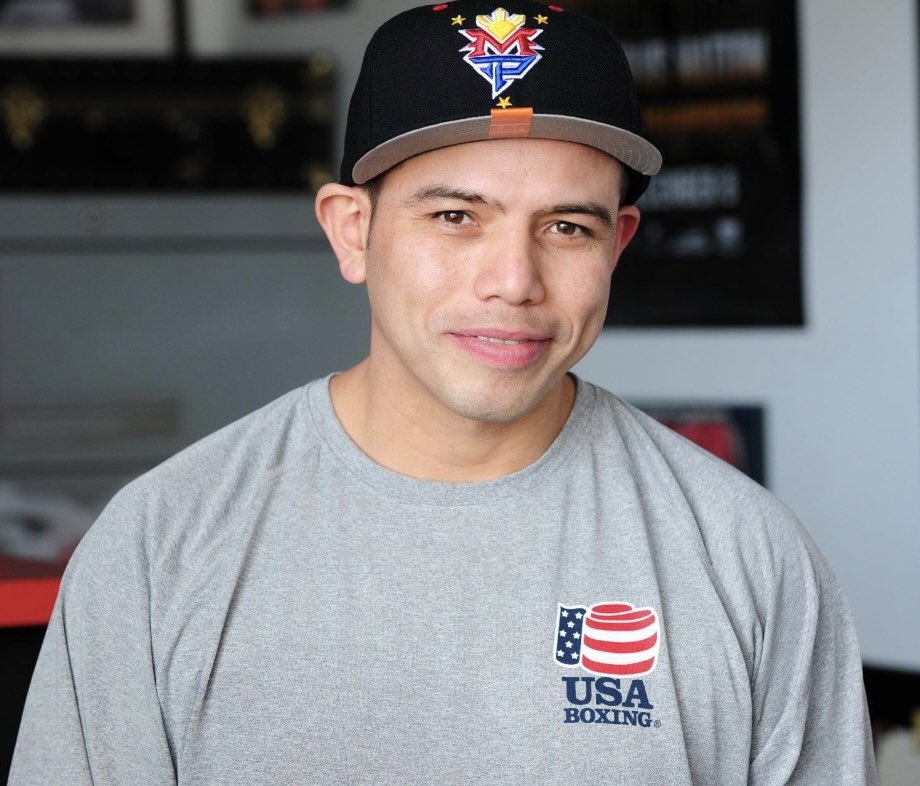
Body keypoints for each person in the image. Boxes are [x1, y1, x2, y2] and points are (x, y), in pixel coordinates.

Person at [11, 1, 877, 783]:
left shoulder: (748, 558)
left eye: (566, 227)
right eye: (455, 217)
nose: (513, 281)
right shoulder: (161, 543)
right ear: (354, 232)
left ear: (616, 246)